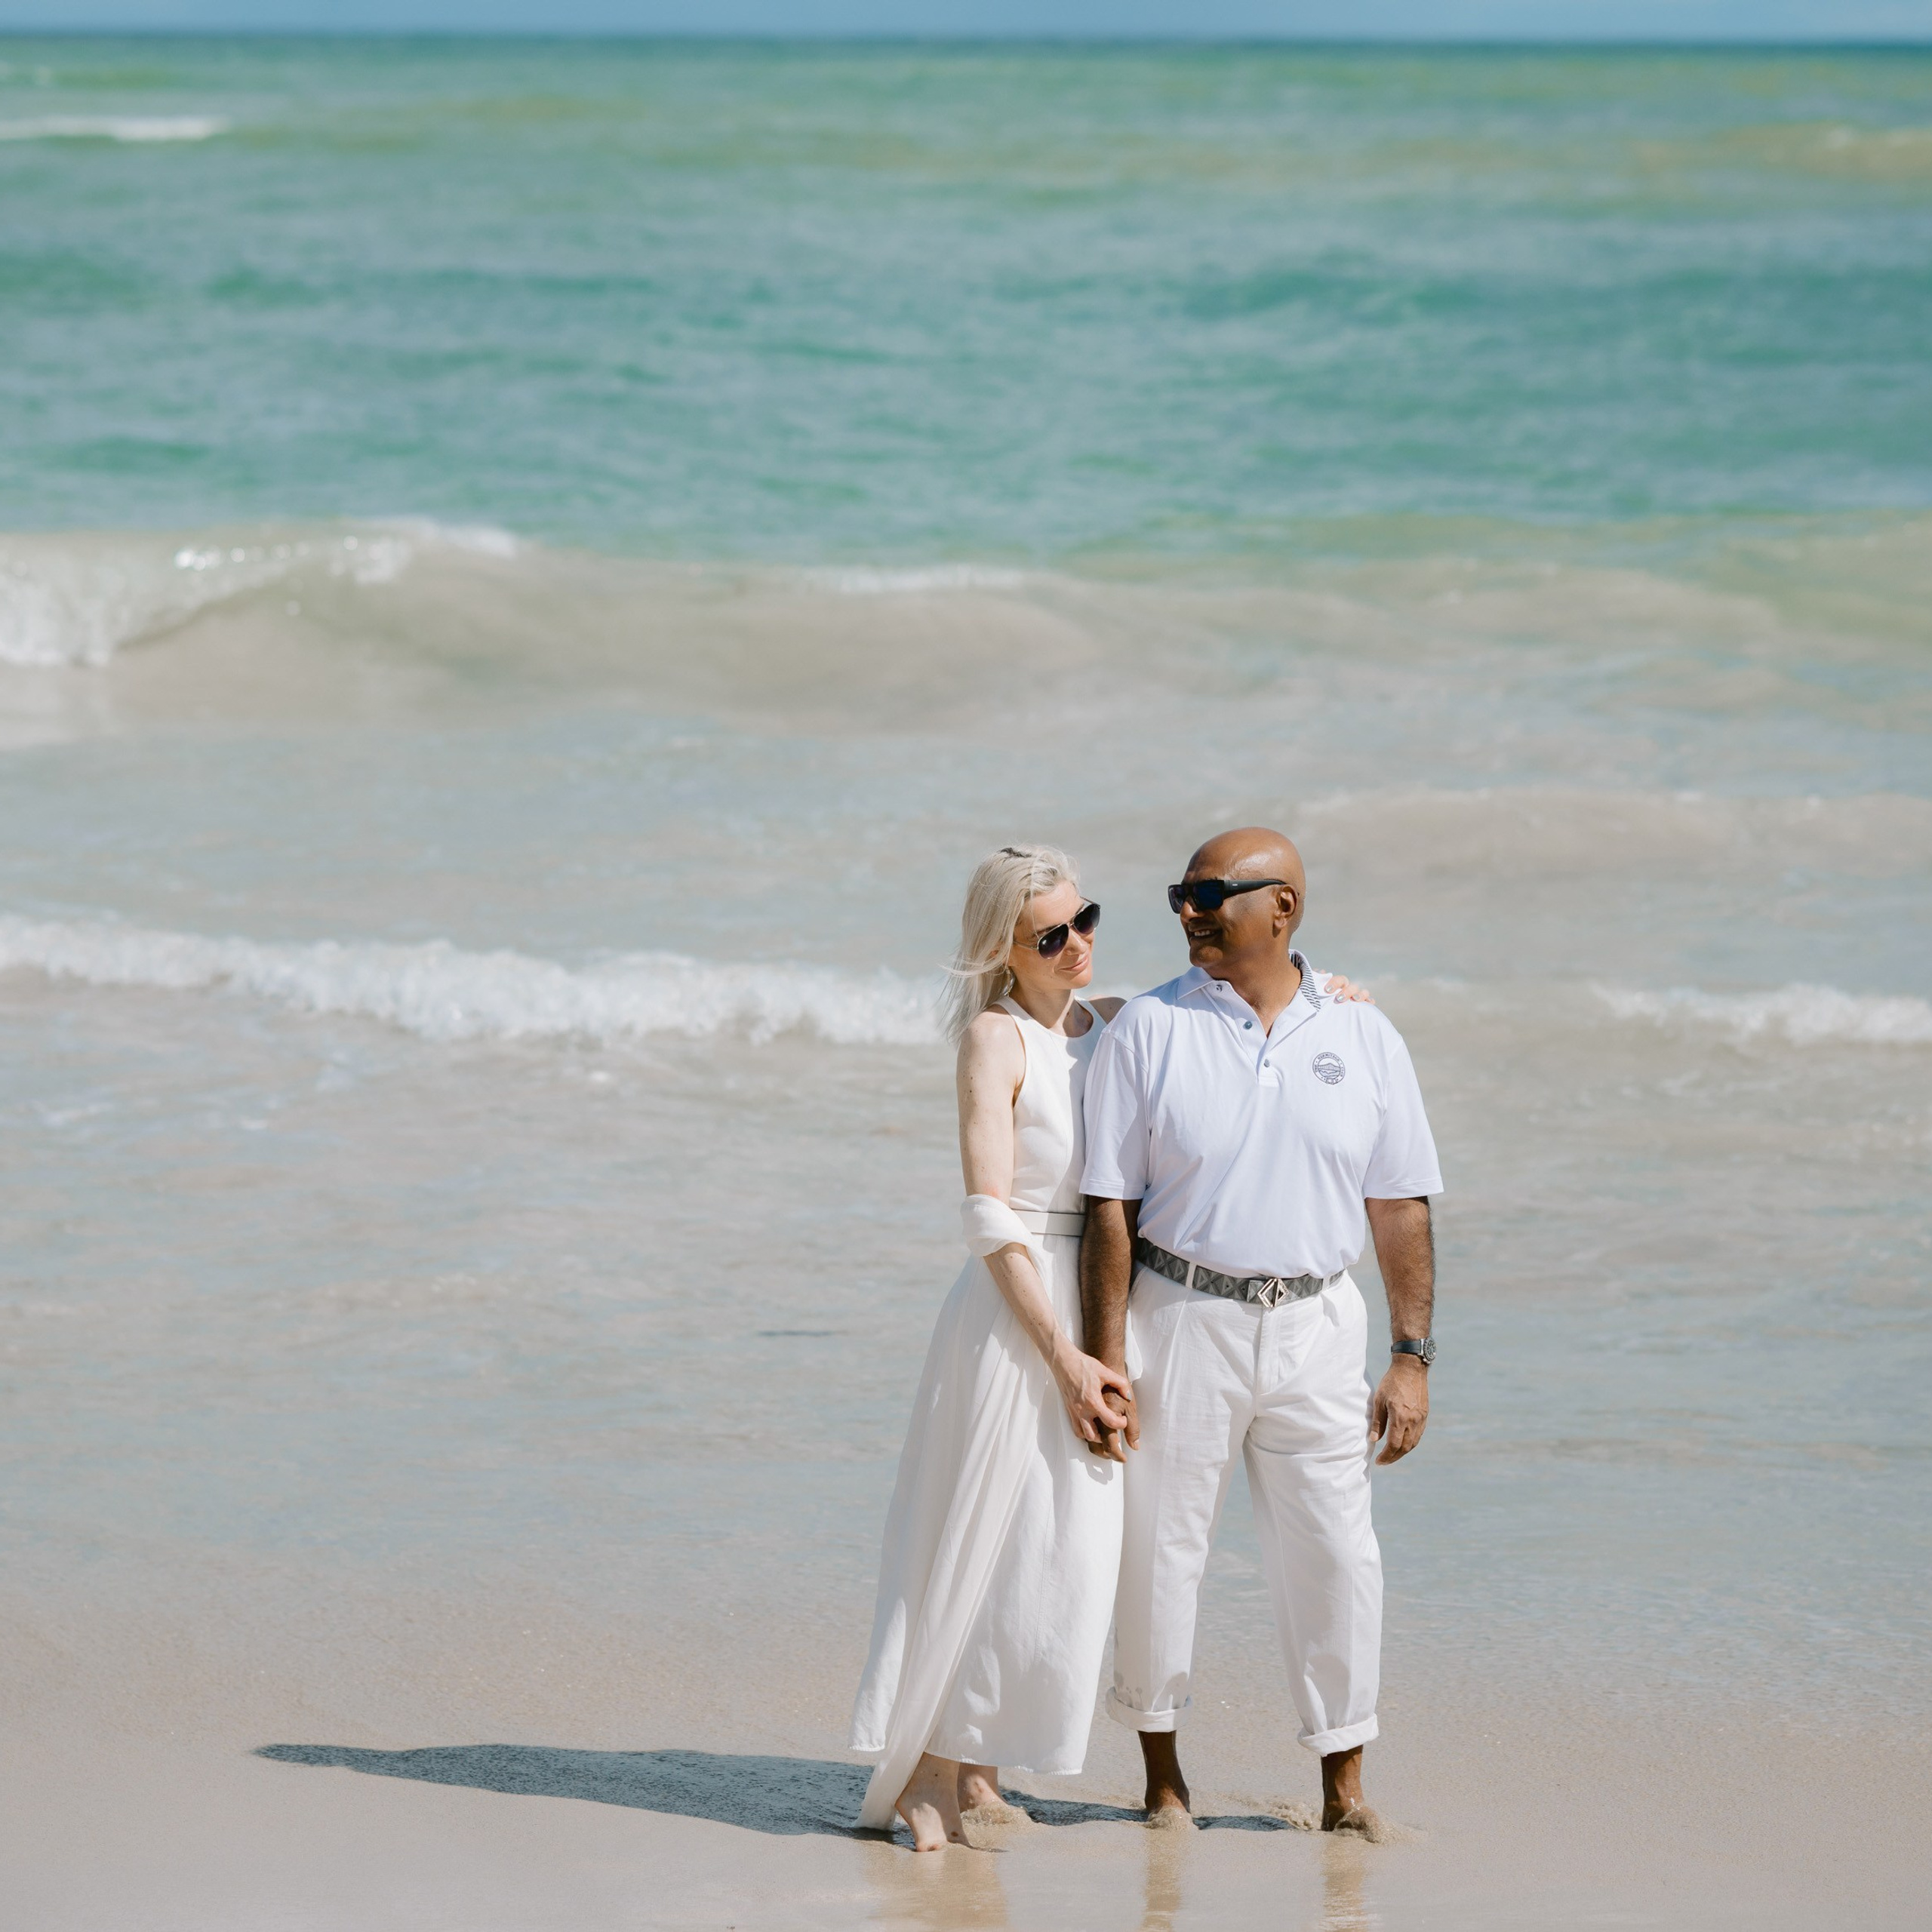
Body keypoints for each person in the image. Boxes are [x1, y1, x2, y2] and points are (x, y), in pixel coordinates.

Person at [851, 842, 1370, 1850]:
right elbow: (988, 1217)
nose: (1080, 944)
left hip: (1099, 1309)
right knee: (979, 1535)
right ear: (1004, 950)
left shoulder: (1112, 1024)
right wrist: (1066, 1355)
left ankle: (981, 1766)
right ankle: (924, 1770)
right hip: (1018, 1313)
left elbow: (1234, 996)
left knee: (1059, 1546)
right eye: (1053, 935)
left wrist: (1338, 993)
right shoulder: (996, 1041)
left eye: (1087, 920)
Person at [1079, 826, 1441, 1840]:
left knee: (1335, 1553)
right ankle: (1162, 1777)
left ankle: (1344, 1783)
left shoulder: (1366, 1035)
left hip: (1320, 1325)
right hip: (1179, 1315)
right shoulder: (1146, 1029)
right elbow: (1109, 1204)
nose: (1188, 912)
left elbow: (1401, 1202)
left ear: (1281, 907)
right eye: (1180, 896)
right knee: (1160, 1550)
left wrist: (1411, 1357)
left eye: (1209, 894)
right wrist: (1105, 1357)